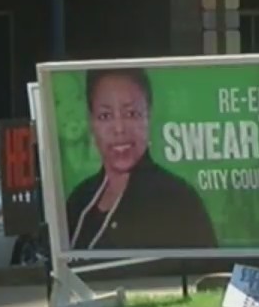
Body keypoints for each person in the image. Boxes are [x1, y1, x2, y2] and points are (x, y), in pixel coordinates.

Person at [63, 67, 218, 252]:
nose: (119, 128)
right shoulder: (79, 200)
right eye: (105, 116)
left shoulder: (177, 199)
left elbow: (209, 275)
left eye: (131, 114)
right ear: (91, 123)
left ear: (149, 116)